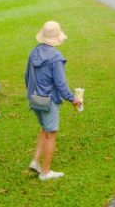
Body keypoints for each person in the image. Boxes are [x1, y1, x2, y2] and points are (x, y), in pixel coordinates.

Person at [26, 21, 80, 181]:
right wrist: (72, 99)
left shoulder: (33, 52)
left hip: (35, 99)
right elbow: (61, 83)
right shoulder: (56, 57)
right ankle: (45, 172)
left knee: (44, 128)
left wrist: (31, 94)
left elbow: (27, 76)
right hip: (49, 100)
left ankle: (35, 161)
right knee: (51, 134)